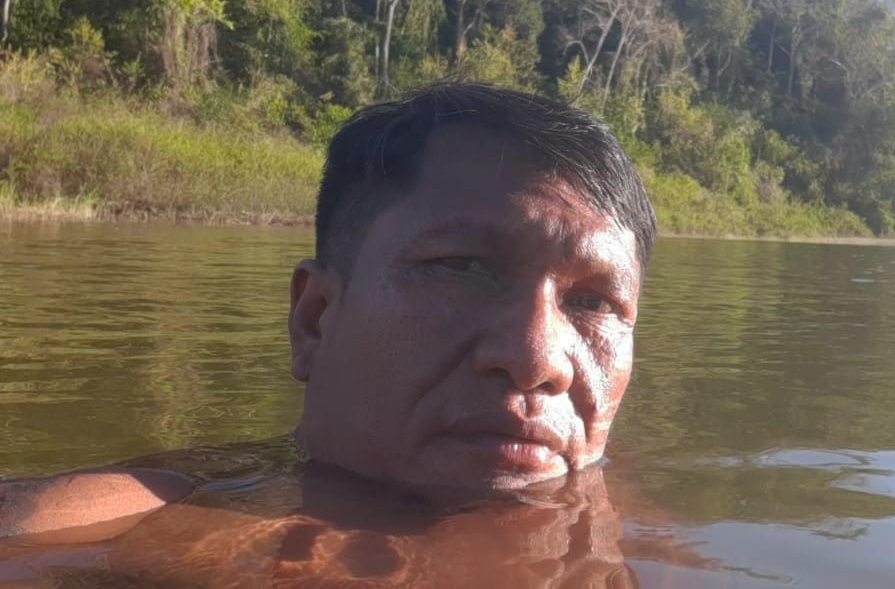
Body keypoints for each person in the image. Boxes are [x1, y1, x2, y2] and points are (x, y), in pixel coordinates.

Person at [0, 83, 658, 582]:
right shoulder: (137, 522)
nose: (537, 359)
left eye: (596, 302)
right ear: (313, 318)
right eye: (460, 267)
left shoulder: (631, 508)